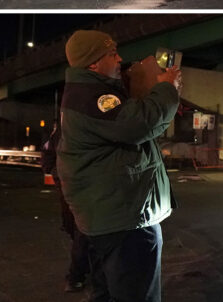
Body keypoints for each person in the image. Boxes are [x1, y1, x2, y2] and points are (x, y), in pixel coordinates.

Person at [56, 30, 182, 302]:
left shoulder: (86, 93)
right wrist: (167, 87)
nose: (120, 59)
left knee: (107, 292)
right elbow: (139, 124)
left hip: (110, 217)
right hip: (125, 221)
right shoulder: (94, 97)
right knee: (136, 294)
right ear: (93, 63)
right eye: (112, 53)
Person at [40, 122, 91, 293]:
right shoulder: (67, 129)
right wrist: (56, 173)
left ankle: (77, 275)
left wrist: (55, 172)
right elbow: (47, 152)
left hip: (75, 186)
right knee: (78, 231)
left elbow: (47, 151)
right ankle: (78, 274)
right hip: (75, 186)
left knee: (79, 231)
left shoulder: (68, 127)